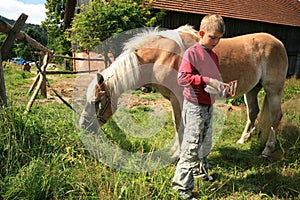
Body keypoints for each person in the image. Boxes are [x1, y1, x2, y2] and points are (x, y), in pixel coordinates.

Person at [172, 14, 226, 200]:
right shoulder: (192, 53)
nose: (216, 41)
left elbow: (213, 79)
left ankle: (201, 172)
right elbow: (182, 78)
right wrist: (204, 79)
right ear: (202, 33)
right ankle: (181, 188)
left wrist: (221, 87)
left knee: (205, 142)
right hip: (194, 107)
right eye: (212, 37)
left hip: (208, 104)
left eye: (219, 38)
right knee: (191, 145)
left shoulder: (214, 56)